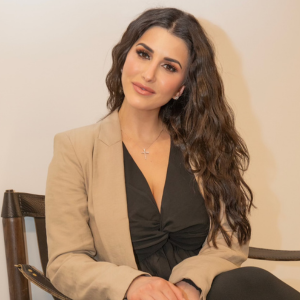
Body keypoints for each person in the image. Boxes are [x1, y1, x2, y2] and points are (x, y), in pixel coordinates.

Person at [45, 7, 300, 300]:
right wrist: (133, 285)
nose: (148, 74)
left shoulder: (203, 148)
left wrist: (190, 284)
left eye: (169, 67)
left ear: (181, 88)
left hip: (205, 294)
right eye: (143, 54)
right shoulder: (75, 149)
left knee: (247, 282)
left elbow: (229, 241)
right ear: (125, 56)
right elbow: (66, 261)